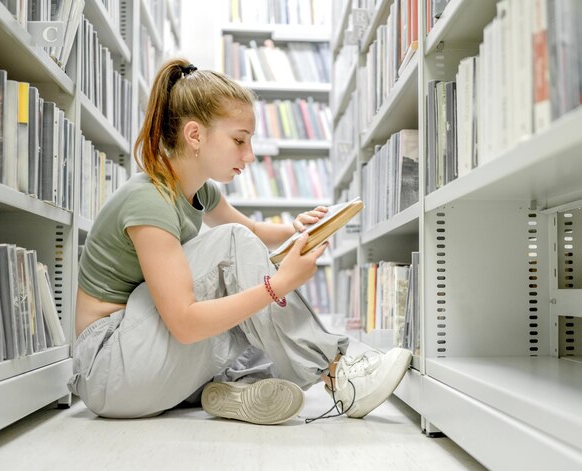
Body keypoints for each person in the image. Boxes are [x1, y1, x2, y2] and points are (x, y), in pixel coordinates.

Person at [67, 58, 412, 424]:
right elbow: (184, 321)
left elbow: (255, 232)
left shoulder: (200, 190)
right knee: (234, 254)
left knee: (253, 317)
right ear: (195, 135)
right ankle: (339, 377)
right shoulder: (148, 200)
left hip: (147, 363)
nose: (249, 155)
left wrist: (299, 230)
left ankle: (230, 388)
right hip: (108, 369)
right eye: (239, 140)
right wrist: (277, 285)